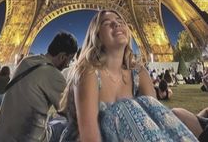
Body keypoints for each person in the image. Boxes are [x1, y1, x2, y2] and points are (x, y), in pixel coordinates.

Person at [59, 10, 198, 142]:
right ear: (97, 36)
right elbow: (89, 137)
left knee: (148, 103)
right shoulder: (87, 72)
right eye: (107, 23)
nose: (116, 24)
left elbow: (156, 120)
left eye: (120, 21)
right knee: (125, 106)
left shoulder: (139, 72)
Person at [0, 32, 78, 142]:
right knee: (69, 125)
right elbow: (72, 112)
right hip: (28, 139)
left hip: (0, 137)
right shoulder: (53, 74)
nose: (68, 64)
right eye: (70, 59)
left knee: (54, 120)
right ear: (62, 56)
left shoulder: (25, 61)